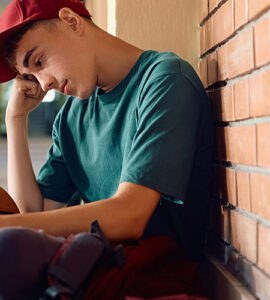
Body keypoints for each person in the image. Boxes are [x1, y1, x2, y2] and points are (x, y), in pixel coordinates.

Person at [0, 0, 213, 262]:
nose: (45, 83)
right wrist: (16, 119)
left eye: (39, 61)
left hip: (151, 278)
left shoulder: (166, 80)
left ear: (71, 22)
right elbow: (34, 216)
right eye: (31, 76)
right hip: (87, 274)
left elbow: (130, 216)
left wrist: (8, 228)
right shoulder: (71, 117)